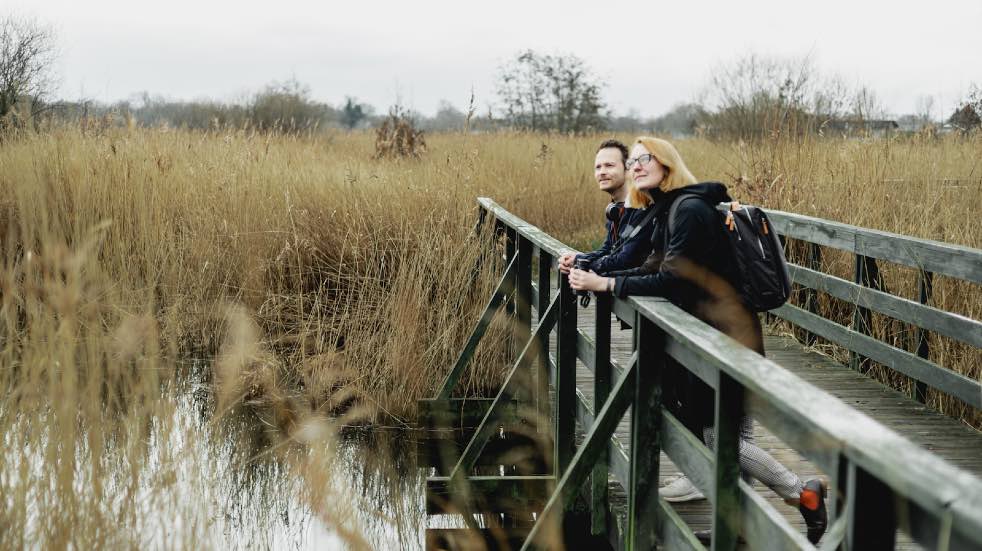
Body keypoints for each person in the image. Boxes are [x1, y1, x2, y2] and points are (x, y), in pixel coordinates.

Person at [569, 137, 828, 545]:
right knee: (732, 436)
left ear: (667, 163)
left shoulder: (687, 210)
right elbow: (650, 264)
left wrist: (606, 283)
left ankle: (802, 492)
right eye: (633, 160)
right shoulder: (669, 209)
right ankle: (739, 526)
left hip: (723, 338)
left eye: (644, 159)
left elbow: (673, 280)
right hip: (724, 333)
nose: (636, 166)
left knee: (715, 437)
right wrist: (594, 266)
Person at [558, 139, 653, 277]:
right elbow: (608, 249)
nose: (602, 172)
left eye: (609, 165)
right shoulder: (615, 209)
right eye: (598, 167)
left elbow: (626, 260)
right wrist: (577, 258)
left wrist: (581, 262)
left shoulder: (642, 207)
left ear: (628, 170)